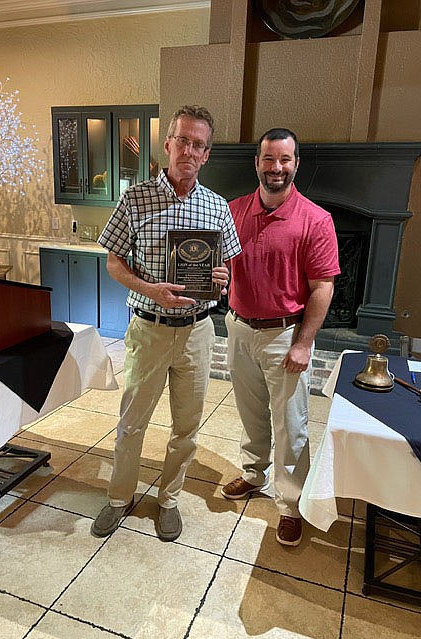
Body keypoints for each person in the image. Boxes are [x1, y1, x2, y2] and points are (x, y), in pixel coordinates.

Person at [92, 105, 241, 542]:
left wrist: (222, 277)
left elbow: (227, 270)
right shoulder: (135, 198)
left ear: (207, 154)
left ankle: (169, 499)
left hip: (197, 331)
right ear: (168, 144)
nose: (189, 150)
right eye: (183, 141)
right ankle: (119, 498)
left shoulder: (216, 206)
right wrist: (149, 288)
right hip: (149, 327)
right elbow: (114, 263)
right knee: (132, 421)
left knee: (186, 427)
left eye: (199, 144)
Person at [221, 128, 340, 546]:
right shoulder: (231, 212)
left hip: (285, 335)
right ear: (257, 163)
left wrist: (304, 342)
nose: (276, 168)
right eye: (269, 159)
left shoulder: (316, 220)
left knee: (291, 425)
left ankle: (289, 504)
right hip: (238, 328)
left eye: (284, 160)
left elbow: (322, 287)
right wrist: (216, 283)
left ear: (296, 165)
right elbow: (222, 267)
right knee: (251, 413)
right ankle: (254, 475)